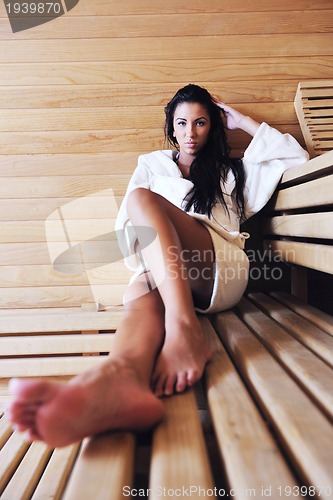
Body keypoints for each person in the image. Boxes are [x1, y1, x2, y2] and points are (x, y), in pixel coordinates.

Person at [7, 84, 309, 448]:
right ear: (171, 126)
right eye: (182, 123)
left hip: (219, 268)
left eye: (200, 123)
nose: (190, 133)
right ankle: (118, 381)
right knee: (139, 288)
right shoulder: (152, 164)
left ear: (213, 126)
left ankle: (183, 328)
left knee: (140, 200)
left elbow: (295, 157)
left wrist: (242, 121)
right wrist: (155, 259)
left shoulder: (232, 173)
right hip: (166, 276)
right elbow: (127, 233)